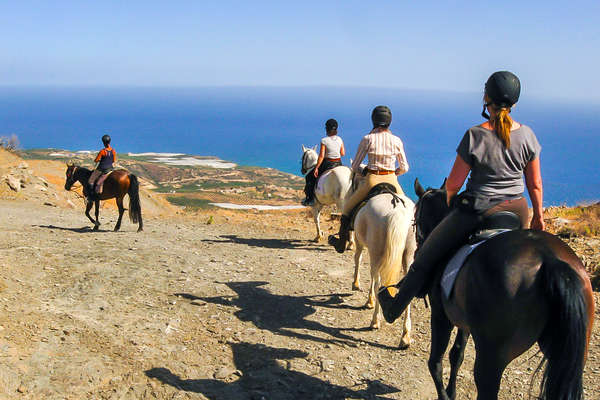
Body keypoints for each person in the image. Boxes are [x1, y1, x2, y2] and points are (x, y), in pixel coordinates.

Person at [378, 71, 545, 324]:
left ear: (486, 98)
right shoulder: (529, 135)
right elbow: (535, 184)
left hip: (480, 210)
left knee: (425, 256)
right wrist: (538, 218)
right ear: (514, 102)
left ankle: (393, 307)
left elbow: (454, 184)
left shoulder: (475, 135)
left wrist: (450, 201)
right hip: (518, 210)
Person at [328, 105, 409, 253]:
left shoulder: (368, 139)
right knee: (409, 211)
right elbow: (405, 167)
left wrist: (364, 171)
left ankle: (341, 243)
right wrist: (394, 172)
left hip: (371, 179)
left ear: (374, 121)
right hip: (392, 179)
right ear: (389, 121)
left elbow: (355, 166)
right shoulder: (397, 140)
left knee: (347, 209)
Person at [302, 118, 346, 206]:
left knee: (310, 177)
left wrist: (317, 168)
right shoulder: (340, 139)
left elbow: (321, 156)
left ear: (327, 129)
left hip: (328, 163)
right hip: (338, 163)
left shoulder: (324, 140)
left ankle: (310, 199)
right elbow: (343, 153)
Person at [88, 134, 117, 198]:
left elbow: (96, 160)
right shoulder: (113, 151)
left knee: (91, 180)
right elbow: (113, 160)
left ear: (103, 142)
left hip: (101, 169)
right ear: (110, 141)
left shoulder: (102, 151)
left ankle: (92, 196)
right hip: (110, 169)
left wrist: (99, 160)